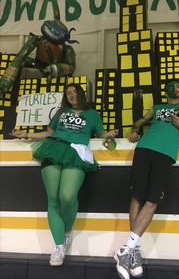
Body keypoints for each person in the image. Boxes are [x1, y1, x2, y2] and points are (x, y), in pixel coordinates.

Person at [11, 83, 118, 267]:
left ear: (81, 93)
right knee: (53, 199)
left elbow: (100, 133)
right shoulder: (60, 112)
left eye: (74, 91)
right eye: (68, 93)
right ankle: (59, 246)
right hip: (52, 148)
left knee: (67, 197)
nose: (71, 95)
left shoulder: (92, 114)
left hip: (76, 153)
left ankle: (67, 231)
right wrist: (25, 133)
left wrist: (109, 134)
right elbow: (49, 132)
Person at [114, 79, 179, 279]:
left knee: (152, 201)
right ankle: (134, 253)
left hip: (165, 153)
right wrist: (134, 132)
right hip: (144, 149)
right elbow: (138, 122)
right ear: (167, 91)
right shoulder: (157, 107)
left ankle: (126, 250)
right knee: (137, 198)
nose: (178, 89)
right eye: (175, 87)